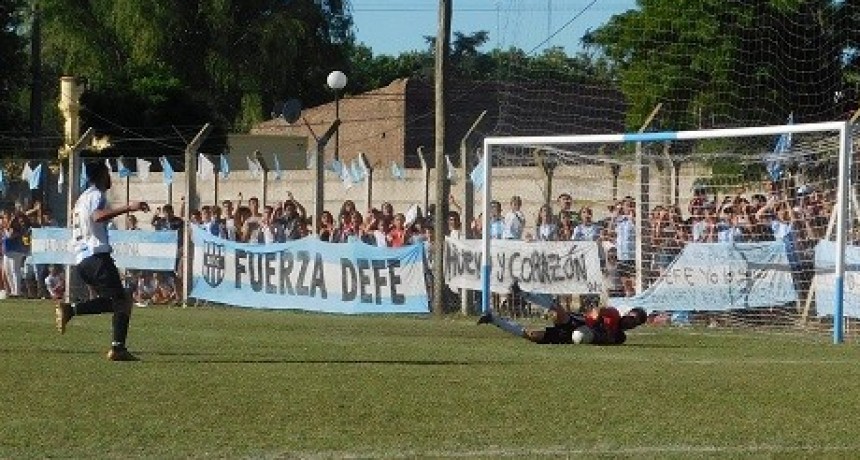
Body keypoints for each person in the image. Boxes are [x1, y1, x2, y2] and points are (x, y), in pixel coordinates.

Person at [55, 160, 150, 362]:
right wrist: (129, 207)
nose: (110, 178)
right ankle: (71, 310)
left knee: (121, 298)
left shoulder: (82, 199)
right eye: (108, 173)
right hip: (96, 256)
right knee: (119, 300)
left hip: (83, 260)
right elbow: (98, 217)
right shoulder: (97, 196)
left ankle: (118, 348)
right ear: (101, 175)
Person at [478, 282, 647, 345]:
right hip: (579, 323)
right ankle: (521, 292)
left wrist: (600, 336)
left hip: (570, 337)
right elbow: (597, 311)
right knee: (558, 311)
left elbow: (609, 341)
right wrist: (595, 316)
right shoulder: (613, 314)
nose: (631, 322)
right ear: (628, 313)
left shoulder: (620, 337)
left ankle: (493, 319)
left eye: (635, 322)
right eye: (632, 317)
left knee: (530, 335)